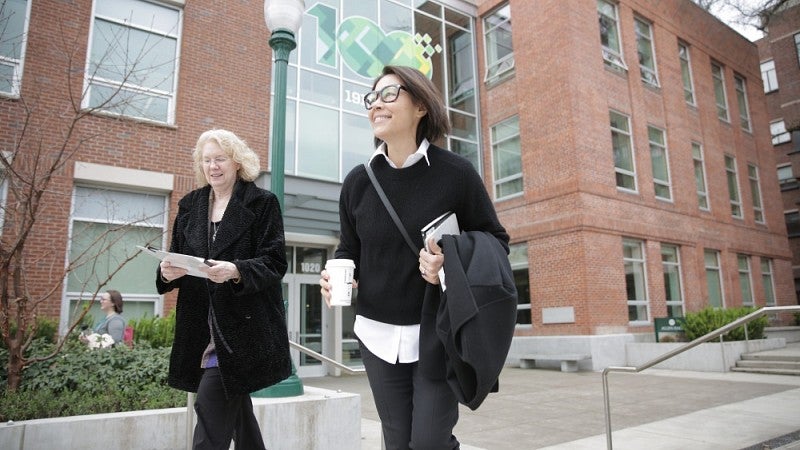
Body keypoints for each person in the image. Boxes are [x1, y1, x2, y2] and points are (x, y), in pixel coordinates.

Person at [319, 65, 509, 450]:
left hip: (436, 333)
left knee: (428, 442)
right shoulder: (358, 181)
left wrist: (448, 261)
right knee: (397, 441)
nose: (376, 105)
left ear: (420, 105)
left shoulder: (456, 173)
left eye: (389, 95)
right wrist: (340, 276)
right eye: (372, 98)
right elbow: (348, 249)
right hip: (376, 334)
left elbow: (495, 242)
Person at [156, 129, 291, 450]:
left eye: (219, 159)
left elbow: (274, 263)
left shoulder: (262, 203)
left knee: (209, 403)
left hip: (241, 330)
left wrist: (236, 270)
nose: (212, 166)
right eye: (206, 160)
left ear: (237, 162)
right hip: (200, 328)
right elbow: (177, 255)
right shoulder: (190, 205)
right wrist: (166, 271)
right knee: (239, 415)